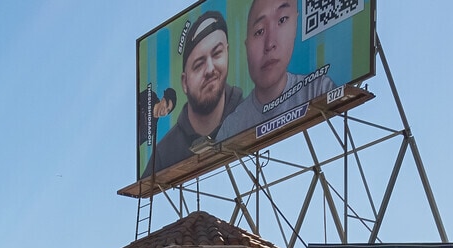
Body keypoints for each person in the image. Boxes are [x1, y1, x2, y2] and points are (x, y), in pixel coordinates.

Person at [141, 10, 242, 178]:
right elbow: (144, 183)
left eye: (217, 53)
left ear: (228, 53)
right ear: (184, 82)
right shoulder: (163, 154)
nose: (210, 69)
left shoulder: (252, 113)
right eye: (198, 64)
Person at [217, 0, 335, 141]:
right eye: (259, 31)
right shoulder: (231, 128)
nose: (270, 44)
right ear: (247, 46)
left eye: (282, 20)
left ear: (295, 25)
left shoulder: (318, 89)